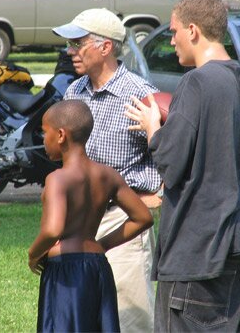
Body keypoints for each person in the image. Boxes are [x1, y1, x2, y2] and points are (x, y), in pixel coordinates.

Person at [125, 0, 240, 331]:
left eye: (175, 30)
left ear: (192, 30)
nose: (172, 38)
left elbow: (171, 163)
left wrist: (153, 129)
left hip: (202, 248)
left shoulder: (197, 82)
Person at [52, 8, 162, 332]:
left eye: (78, 43)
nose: (70, 51)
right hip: (81, 221)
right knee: (81, 314)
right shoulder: (74, 93)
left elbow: (166, 155)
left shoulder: (141, 95)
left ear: (105, 47)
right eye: (70, 44)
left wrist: (154, 194)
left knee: (130, 317)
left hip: (125, 220)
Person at [28, 100, 153, 332]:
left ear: (61, 135)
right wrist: (100, 245)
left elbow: (52, 230)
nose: (43, 140)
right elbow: (143, 218)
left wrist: (33, 255)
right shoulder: (108, 174)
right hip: (98, 267)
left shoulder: (57, 178)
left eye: (45, 132)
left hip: (65, 268)